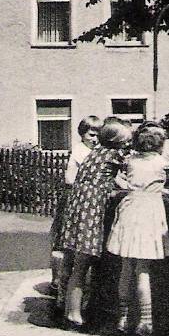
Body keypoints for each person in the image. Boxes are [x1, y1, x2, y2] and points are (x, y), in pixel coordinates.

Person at [105, 120, 169, 336]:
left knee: (126, 267)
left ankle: (123, 317)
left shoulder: (130, 161)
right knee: (143, 270)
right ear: (160, 144)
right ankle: (145, 321)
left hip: (130, 209)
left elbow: (123, 176)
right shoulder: (162, 161)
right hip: (149, 214)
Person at [57, 118, 130, 329]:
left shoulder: (96, 152)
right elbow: (130, 173)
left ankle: (70, 307)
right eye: (125, 140)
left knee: (76, 263)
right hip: (90, 211)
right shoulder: (114, 155)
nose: (128, 143)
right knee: (82, 265)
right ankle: (74, 313)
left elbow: (112, 178)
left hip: (78, 208)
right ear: (116, 140)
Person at [51, 115, 102, 300]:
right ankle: (62, 293)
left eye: (98, 136)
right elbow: (69, 179)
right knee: (70, 250)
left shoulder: (93, 151)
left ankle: (67, 294)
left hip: (81, 200)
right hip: (75, 201)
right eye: (91, 135)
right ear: (82, 134)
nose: (95, 139)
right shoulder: (80, 152)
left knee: (74, 252)